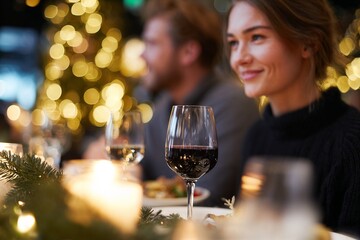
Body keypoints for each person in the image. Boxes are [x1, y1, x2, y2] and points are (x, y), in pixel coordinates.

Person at [226, 0, 360, 236]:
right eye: (234, 43)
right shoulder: (256, 136)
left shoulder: (352, 143)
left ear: (308, 43)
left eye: (256, 37)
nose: (239, 58)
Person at [138, 0, 259, 207]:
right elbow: (142, 171)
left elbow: (210, 197)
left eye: (152, 44)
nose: (142, 55)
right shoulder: (163, 107)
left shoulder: (233, 103)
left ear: (188, 52)